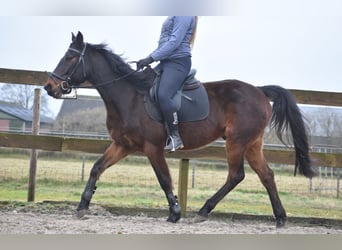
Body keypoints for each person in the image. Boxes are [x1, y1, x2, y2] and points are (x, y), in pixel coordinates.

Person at [137, 16, 198, 152]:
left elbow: (174, 42)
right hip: (165, 62)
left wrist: (151, 58)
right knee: (141, 83)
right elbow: (166, 41)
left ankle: (175, 137)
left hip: (178, 63)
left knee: (164, 95)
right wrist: (150, 58)